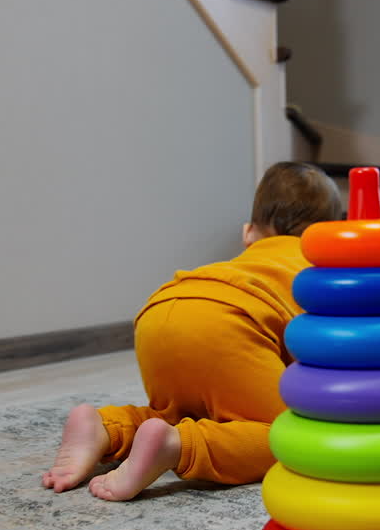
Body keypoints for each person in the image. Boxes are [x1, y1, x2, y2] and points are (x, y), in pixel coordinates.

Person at [41, 161, 343, 501]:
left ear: (248, 234)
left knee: (177, 412)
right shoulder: (323, 270)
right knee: (288, 435)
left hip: (162, 308)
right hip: (235, 319)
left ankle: (107, 428)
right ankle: (177, 446)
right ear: (329, 239)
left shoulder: (247, 262)